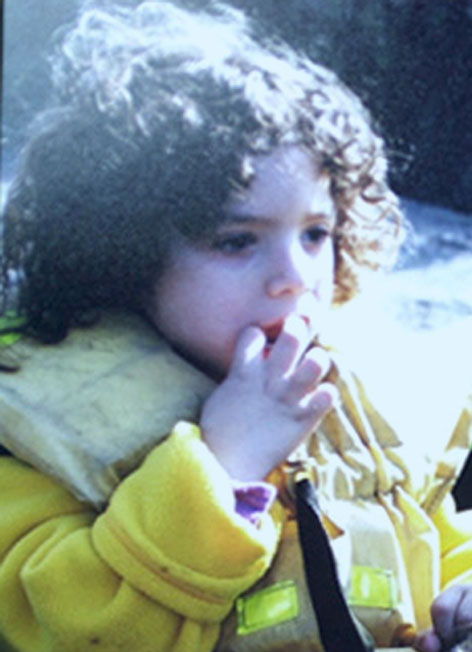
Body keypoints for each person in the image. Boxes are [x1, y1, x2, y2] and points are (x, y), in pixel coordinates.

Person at [0, 2, 471, 651]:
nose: (294, 277)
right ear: (121, 255)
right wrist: (224, 470)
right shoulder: (37, 435)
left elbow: (435, 535)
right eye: (236, 241)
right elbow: (74, 628)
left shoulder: (352, 398)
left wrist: (461, 592)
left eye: (315, 234)